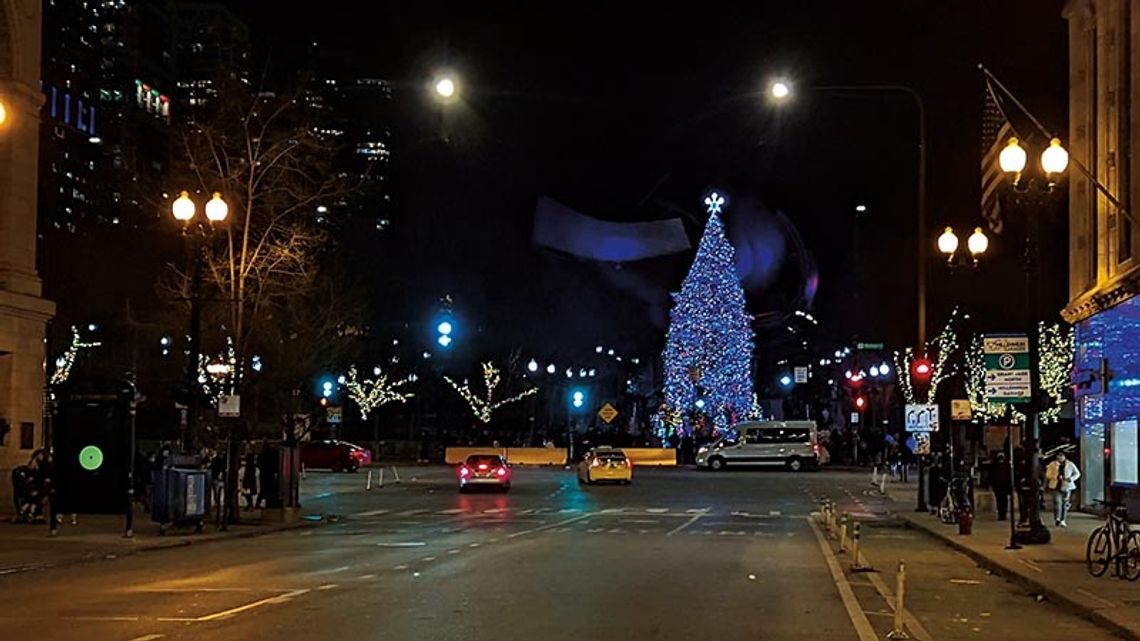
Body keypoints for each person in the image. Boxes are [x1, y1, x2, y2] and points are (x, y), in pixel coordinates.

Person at [1045, 451, 1081, 527]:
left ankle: (1063, 520)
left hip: (1067, 486)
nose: (1060, 457)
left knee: (1065, 503)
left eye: (1062, 456)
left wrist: (1071, 478)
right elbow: (1048, 474)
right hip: (1055, 486)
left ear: (1065, 457)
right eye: (1058, 456)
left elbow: (1077, 473)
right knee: (1057, 502)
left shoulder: (1070, 464)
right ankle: (1057, 518)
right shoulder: (1052, 464)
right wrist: (1055, 477)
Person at [989, 451, 1011, 521]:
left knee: (1000, 500)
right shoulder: (1005, 465)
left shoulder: (994, 465)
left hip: (1000, 485)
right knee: (1002, 500)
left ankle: (1002, 514)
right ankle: (1002, 514)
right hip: (1002, 485)